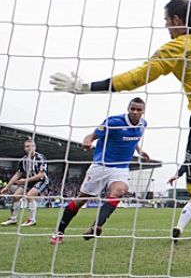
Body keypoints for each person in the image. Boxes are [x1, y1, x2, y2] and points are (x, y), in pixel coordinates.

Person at [49, 0, 191, 250]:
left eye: (166, 20)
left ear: (175, 19)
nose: (165, 26)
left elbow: (134, 79)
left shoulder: (173, 49)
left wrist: (86, 87)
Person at [50, 97, 150, 245]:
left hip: (121, 168)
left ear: (143, 111)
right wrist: (88, 140)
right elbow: (93, 134)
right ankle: (59, 231)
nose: (135, 112)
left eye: (139, 110)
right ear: (128, 109)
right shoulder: (113, 122)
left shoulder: (143, 124)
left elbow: (133, 139)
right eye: (132, 109)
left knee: (120, 191)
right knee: (80, 200)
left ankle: (96, 226)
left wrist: (140, 151)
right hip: (101, 166)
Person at [0, 139, 49, 227]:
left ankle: (32, 220)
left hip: (41, 180)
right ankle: (13, 219)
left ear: (35, 147)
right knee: (15, 196)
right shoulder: (23, 160)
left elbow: (41, 175)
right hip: (29, 181)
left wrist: (24, 181)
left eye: (30, 146)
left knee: (30, 195)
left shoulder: (40, 158)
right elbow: (18, 174)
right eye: (26, 146)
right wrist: (7, 187)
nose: (28, 148)